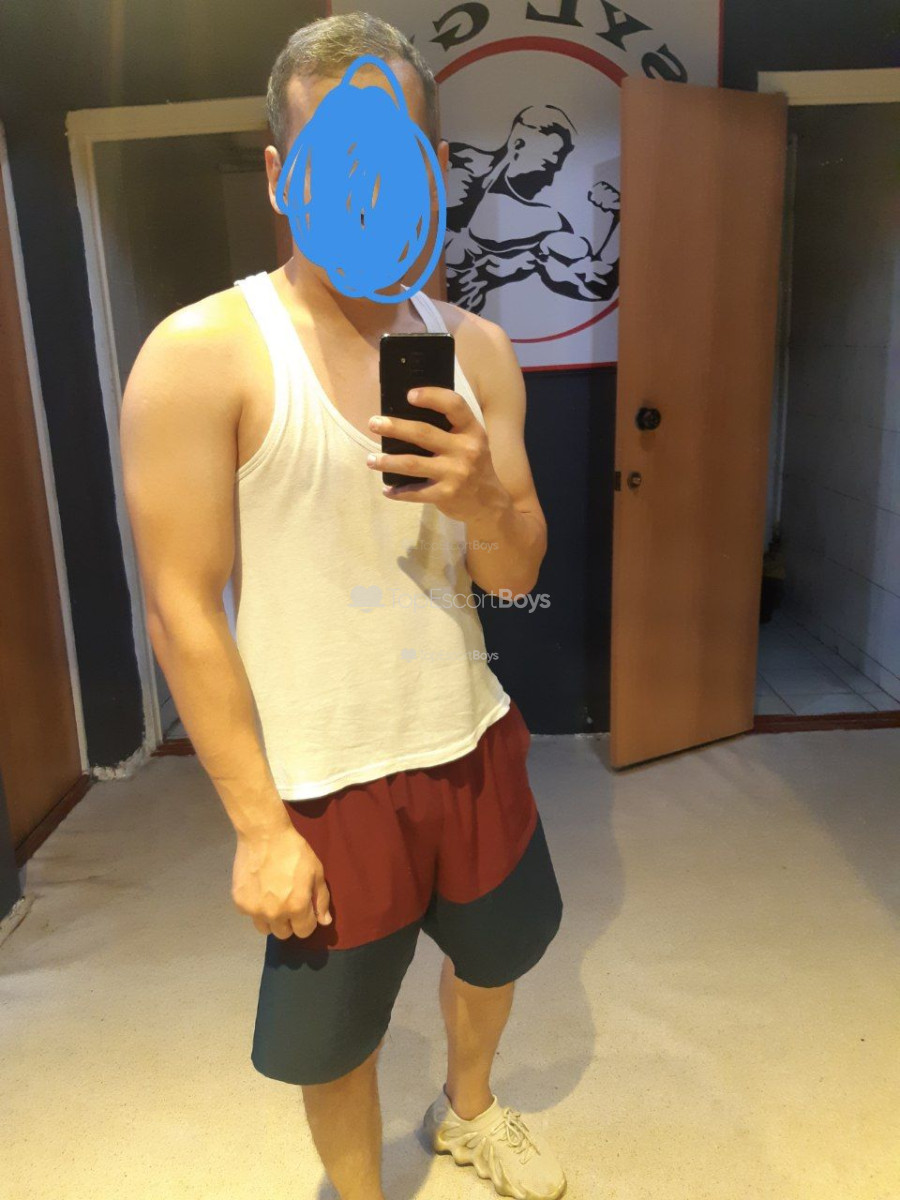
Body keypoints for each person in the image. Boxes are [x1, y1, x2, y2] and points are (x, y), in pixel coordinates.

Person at [121, 13, 565, 1200]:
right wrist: (259, 828)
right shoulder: (204, 354)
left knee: (501, 954)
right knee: (337, 1040)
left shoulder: (478, 350)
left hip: (469, 737)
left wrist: (483, 499)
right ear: (283, 174)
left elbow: (517, 578)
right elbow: (181, 607)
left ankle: (471, 1111)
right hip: (320, 778)